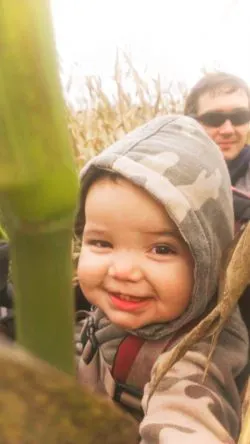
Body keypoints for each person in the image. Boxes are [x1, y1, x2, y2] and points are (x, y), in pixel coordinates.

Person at [74, 114, 249, 443]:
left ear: (209, 261)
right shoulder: (134, 305)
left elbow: (187, 423)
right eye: (101, 243)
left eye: (161, 249)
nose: (122, 271)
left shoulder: (196, 357)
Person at [184, 72, 250, 223]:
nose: (228, 130)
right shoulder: (164, 180)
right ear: (191, 123)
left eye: (239, 117)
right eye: (213, 119)